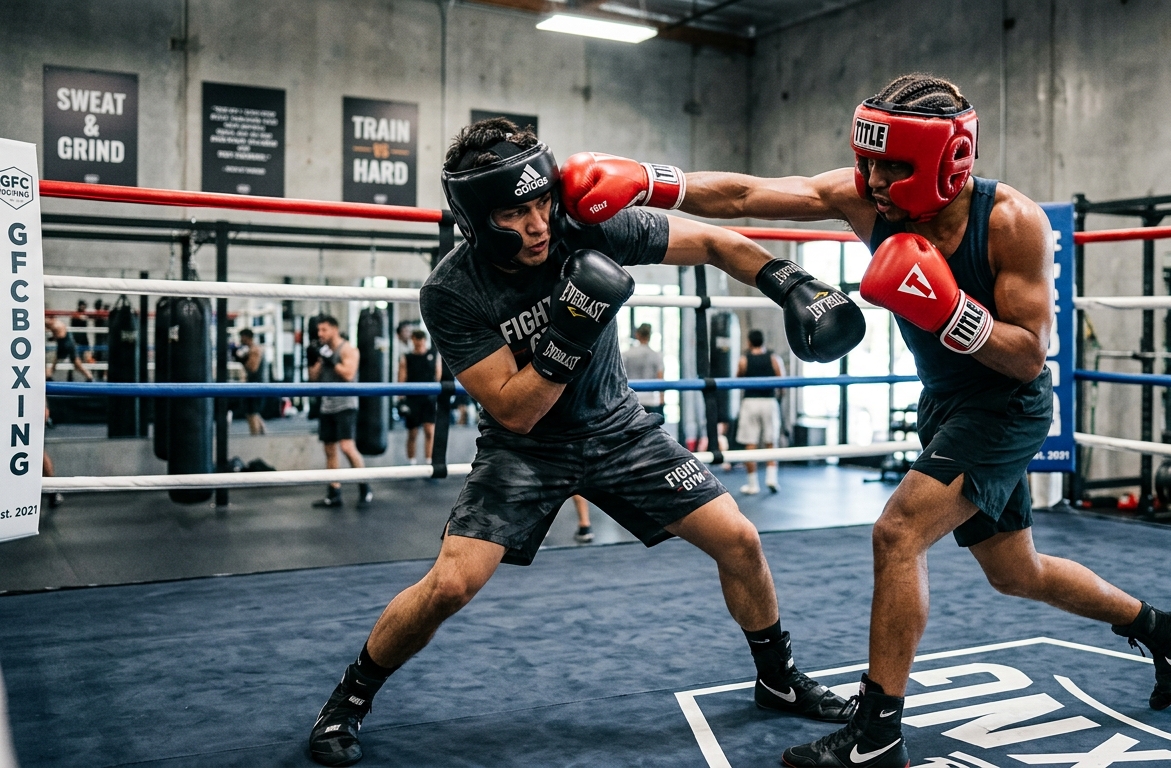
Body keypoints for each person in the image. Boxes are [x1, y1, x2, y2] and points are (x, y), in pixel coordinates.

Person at [566, 73, 1171, 768]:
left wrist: (950, 312)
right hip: (946, 404)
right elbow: (751, 194)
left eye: (891, 164)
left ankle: (878, 735)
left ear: (948, 158)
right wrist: (651, 180)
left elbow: (1029, 357)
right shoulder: (868, 199)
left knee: (897, 533)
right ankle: (1165, 629)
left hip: (1004, 406)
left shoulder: (1008, 221)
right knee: (1015, 571)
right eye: (867, 160)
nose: (871, 178)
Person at [306, 117, 864, 766]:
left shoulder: (584, 223)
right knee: (452, 585)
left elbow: (712, 240)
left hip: (619, 432)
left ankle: (778, 679)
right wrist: (570, 330)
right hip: (526, 450)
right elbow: (514, 410)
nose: (540, 224)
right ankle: (349, 698)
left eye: (542, 202)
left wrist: (786, 281)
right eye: (517, 212)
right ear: (479, 219)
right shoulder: (453, 291)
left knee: (740, 538)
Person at [308, 316, 371, 508]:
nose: (320, 334)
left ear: (334, 329)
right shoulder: (323, 350)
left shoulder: (348, 349)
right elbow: (313, 378)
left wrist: (330, 360)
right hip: (327, 404)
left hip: (345, 404)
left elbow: (349, 374)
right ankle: (334, 492)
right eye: (319, 330)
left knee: (346, 447)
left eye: (324, 330)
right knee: (329, 450)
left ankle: (364, 485)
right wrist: (316, 359)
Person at [736, 329, 783, 495]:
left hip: (750, 402)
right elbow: (781, 381)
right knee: (771, 442)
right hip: (769, 401)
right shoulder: (773, 358)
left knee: (750, 443)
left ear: (749, 342)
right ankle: (771, 479)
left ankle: (753, 484)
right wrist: (779, 400)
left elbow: (738, 380)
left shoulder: (744, 360)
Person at [396, 329, 440, 464]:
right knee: (413, 433)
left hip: (429, 398)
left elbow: (437, 375)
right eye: (416, 339)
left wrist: (435, 394)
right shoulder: (407, 357)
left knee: (429, 431)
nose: (419, 342)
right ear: (413, 340)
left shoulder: (433, 355)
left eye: (421, 339)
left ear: (424, 341)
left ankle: (428, 461)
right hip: (412, 398)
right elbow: (401, 377)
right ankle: (412, 463)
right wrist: (400, 398)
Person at [621, 322, 665, 416]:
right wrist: (662, 399)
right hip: (651, 400)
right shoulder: (656, 355)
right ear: (650, 336)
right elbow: (660, 377)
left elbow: (620, 377)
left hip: (631, 399)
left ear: (637, 335)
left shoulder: (627, 354)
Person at [234, 328, 268, 435]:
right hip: (254, 385)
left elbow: (252, 368)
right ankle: (263, 436)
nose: (241, 340)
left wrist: (242, 360)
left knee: (251, 413)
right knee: (253, 413)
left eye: (242, 337)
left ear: (247, 337)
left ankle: (255, 438)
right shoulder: (251, 349)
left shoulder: (254, 350)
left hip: (256, 386)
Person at [45, 317, 93, 382]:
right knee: (74, 362)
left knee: (74, 363)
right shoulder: (56, 323)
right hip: (67, 342)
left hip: (65, 343)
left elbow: (61, 336)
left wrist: (53, 337)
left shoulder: (56, 325)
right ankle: (89, 376)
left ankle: (48, 376)